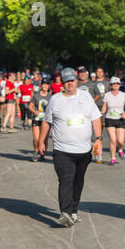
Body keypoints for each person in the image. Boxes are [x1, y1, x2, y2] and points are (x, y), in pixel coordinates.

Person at [39, 67, 103, 227]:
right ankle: (65, 212)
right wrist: (42, 141)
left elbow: (95, 118)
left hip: (84, 150)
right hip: (62, 151)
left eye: (72, 81)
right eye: (67, 81)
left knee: (78, 181)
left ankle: (73, 210)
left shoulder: (86, 96)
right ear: (62, 82)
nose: (70, 84)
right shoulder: (55, 100)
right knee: (66, 179)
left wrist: (99, 139)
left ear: (76, 81)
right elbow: (47, 122)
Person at [101, 77, 125, 165]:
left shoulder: (123, 95)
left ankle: (120, 149)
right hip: (109, 119)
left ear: (119, 85)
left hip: (120, 119)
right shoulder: (107, 95)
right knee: (113, 140)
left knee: (120, 141)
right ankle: (113, 158)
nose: (116, 85)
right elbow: (104, 107)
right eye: (114, 84)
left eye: (117, 83)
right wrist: (102, 111)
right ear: (110, 85)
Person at [29, 78, 51, 162]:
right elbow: (30, 106)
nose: (45, 86)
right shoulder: (36, 95)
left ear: (48, 86)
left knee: (45, 139)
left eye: (47, 84)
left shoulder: (50, 96)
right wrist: (35, 111)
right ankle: (35, 152)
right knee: (36, 138)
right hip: (37, 119)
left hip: (46, 120)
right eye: (44, 84)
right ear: (40, 85)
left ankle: (42, 153)